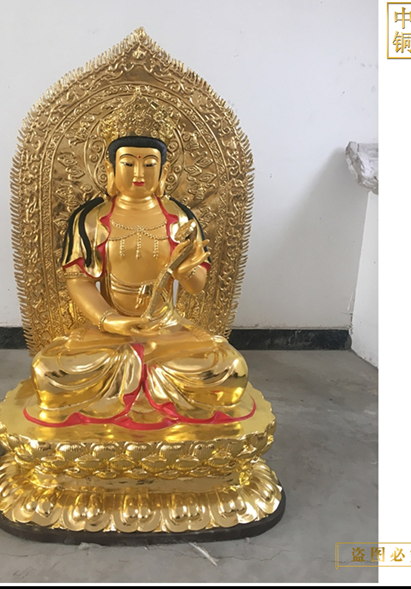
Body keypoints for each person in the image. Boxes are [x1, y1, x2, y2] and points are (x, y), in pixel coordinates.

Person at [27, 92, 255, 429]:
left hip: (168, 332)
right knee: (48, 371)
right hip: (108, 334)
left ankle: (143, 384)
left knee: (229, 370)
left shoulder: (180, 219)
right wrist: (111, 321)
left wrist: (185, 270)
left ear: (164, 171)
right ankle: (141, 384)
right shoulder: (89, 219)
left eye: (149, 164)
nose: (139, 173)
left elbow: (196, 286)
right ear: (109, 168)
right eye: (128, 163)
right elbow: (79, 282)